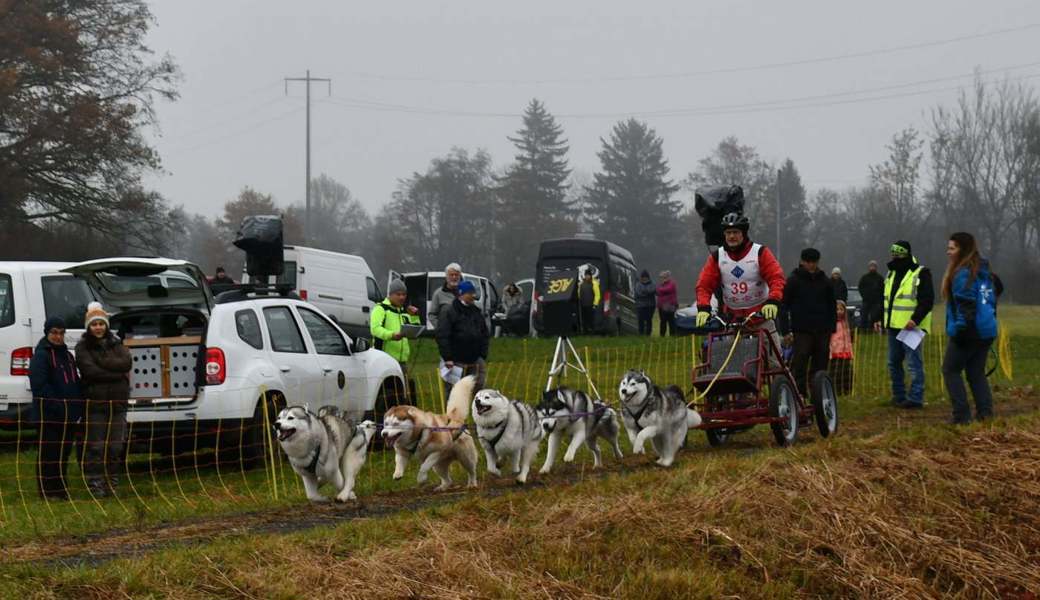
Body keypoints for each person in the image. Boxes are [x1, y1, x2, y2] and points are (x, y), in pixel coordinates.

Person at [694, 212, 786, 351]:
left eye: (736, 232)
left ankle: (778, 371)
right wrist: (703, 308)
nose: (731, 236)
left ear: (743, 233)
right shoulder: (718, 257)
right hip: (733, 322)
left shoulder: (760, 252)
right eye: (728, 232)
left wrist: (773, 301)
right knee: (734, 367)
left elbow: (776, 277)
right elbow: (704, 285)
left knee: (775, 365)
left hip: (761, 319)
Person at [75, 302, 132, 498]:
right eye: (94, 324)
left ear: (106, 325)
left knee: (116, 446)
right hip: (95, 404)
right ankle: (95, 483)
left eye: (101, 323)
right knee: (96, 446)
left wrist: (103, 362)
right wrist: (115, 373)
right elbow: (89, 371)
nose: (98, 327)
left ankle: (112, 483)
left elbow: (126, 363)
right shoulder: (82, 347)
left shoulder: (117, 343)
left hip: (118, 403)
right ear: (88, 327)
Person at [941, 232, 998, 425]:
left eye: (952, 248)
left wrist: (959, 331)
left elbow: (966, 306)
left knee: (950, 370)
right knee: (975, 373)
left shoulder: (962, 273)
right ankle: (985, 415)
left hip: (970, 330)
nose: (948, 252)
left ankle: (961, 416)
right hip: (987, 329)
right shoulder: (984, 270)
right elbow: (997, 289)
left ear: (962, 250)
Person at [28, 317, 83, 500]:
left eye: (61, 333)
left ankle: (61, 489)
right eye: (54, 333)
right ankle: (47, 491)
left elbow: (73, 380)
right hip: (48, 414)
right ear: (47, 333)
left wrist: (76, 406)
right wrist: (57, 405)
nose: (58, 337)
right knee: (49, 454)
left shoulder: (67, 356)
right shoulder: (41, 355)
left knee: (63, 453)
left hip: (68, 414)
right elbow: (39, 385)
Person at [875, 240, 934, 410]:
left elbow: (927, 300)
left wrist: (915, 319)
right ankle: (899, 396)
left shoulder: (921, 273)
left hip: (912, 327)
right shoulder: (890, 274)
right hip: (893, 325)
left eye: (899, 254)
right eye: (893, 254)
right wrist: (879, 319)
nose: (895, 258)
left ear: (907, 254)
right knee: (893, 362)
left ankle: (916, 398)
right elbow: (885, 299)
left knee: (913, 363)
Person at [779, 248, 836, 397]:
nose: (811, 265)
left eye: (814, 262)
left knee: (821, 365)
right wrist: (785, 331)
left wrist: (831, 327)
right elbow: (783, 305)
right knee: (800, 363)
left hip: (823, 330)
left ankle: (819, 396)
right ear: (802, 262)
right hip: (801, 330)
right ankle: (799, 396)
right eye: (808, 262)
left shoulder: (825, 281)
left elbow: (832, 305)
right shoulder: (793, 281)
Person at [371, 279, 422, 402]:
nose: (402, 297)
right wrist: (392, 335)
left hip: (402, 361)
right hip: (385, 359)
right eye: (398, 294)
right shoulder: (381, 308)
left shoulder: (404, 312)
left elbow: (414, 330)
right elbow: (375, 329)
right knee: (387, 394)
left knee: (402, 394)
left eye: (404, 294)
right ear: (391, 294)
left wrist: (414, 316)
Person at [436, 280, 490, 393]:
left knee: (479, 389)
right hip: (456, 361)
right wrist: (447, 357)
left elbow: (484, 333)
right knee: (455, 391)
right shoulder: (449, 311)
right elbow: (442, 335)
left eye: (473, 293)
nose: (473, 296)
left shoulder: (476, 312)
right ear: (461, 294)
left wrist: (482, 354)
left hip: (475, 359)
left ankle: (477, 409)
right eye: (470, 293)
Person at [829, 300, 855, 395]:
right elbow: (829, 340)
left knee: (847, 371)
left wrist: (850, 352)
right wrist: (830, 352)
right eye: (837, 309)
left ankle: (847, 389)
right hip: (836, 352)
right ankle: (836, 389)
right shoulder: (831, 325)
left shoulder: (846, 324)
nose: (839, 311)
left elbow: (848, 340)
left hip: (846, 352)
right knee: (836, 372)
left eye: (841, 309)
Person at [428, 263, 462, 330]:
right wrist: (441, 328)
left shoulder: (465, 292)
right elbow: (432, 315)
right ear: (446, 276)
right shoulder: (438, 293)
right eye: (451, 275)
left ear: (460, 276)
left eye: (456, 275)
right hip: (446, 336)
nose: (454, 277)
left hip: (463, 335)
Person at [857, 260, 885, 329]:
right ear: (869, 267)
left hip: (876, 301)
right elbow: (860, 287)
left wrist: (880, 299)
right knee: (864, 316)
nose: (872, 268)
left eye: (874, 266)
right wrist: (864, 295)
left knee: (875, 316)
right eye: (871, 266)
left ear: (876, 267)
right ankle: (863, 330)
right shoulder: (864, 277)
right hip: (866, 300)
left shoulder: (880, 278)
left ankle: (872, 329)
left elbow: (883, 289)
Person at [577, 267, 601, 335]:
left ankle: (592, 332)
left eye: (588, 275)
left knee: (591, 319)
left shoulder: (594, 283)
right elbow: (579, 293)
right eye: (586, 275)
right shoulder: (581, 284)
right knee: (584, 319)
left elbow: (597, 294)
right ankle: (585, 332)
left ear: (590, 275)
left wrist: (595, 304)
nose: (587, 276)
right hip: (583, 304)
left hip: (591, 304)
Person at [634, 270, 656, 336]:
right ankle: (641, 334)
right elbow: (639, 293)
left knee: (649, 320)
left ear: (648, 277)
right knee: (641, 321)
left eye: (646, 277)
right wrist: (648, 293)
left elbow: (653, 290)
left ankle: (648, 334)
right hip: (640, 305)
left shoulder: (652, 283)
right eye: (643, 277)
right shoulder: (638, 284)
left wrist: (645, 292)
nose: (644, 279)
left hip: (650, 305)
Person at [656, 270, 678, 337]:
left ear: (668, 277)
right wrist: (660, 289)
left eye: (664, 277)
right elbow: (657, 291)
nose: (663, 279)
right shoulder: (661, 284)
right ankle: (662, 335)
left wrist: (660, 289)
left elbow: (667, 289)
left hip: (670, 305)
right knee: (663, 321)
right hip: (661, 306)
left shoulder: (672, 283)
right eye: (662, 277)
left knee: (671, 321)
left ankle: (673, 335)